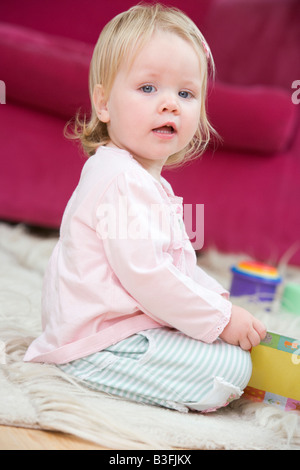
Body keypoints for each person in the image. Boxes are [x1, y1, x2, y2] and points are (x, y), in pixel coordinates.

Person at [24, 3, 266, 413]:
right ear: (103, 104)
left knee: (222, 344)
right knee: (231, 368)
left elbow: (173, 267)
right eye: (148, 88)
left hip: (117, 328)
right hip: (98, 342)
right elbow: (149, 276)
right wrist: (221, 320)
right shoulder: (122, 180)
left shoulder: (139, 177)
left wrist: (219, 305)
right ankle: (98, 372)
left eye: (185, 93)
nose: (170, 104)